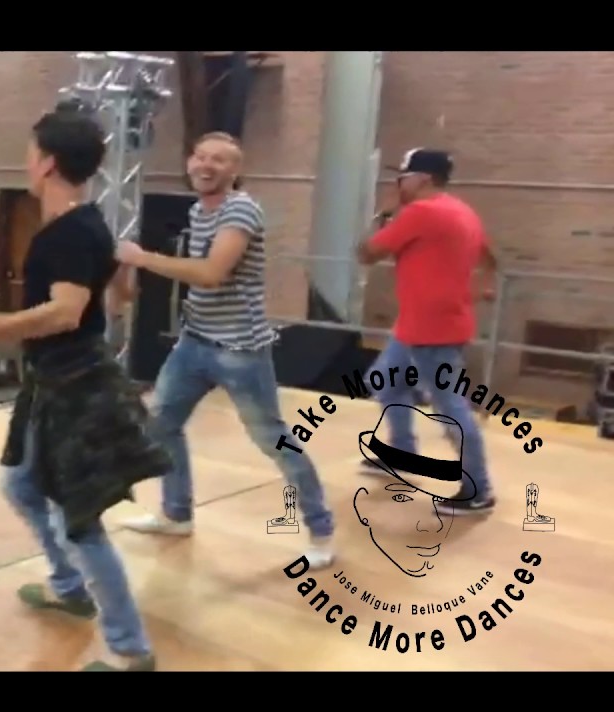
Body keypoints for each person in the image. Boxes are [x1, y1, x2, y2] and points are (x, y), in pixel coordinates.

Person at [0, 106, 168, 672]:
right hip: (52, 380)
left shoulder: (69, 231)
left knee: (78, 520)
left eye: (31, 152)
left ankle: (130, 651)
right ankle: (68, 586)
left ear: (48, 162)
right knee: (21, 484)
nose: (26, 162)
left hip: (75, 386)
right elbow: (115, 302)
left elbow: (64, 313)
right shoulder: (85, 226)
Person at [112, 131, 336, 570]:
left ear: (235, 170)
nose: (205, 165)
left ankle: (321, 530)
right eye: (200, 156)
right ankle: (176, 514)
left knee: (273, 439)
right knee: (161, 424)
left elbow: (212, 274)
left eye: (218, 159)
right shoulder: (198, 211)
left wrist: (142, 258)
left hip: (240, 350)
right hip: (194, 342)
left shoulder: (241, 209)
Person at [355, 148, 496, 516]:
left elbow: (366, 254)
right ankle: (402, 453)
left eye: (404, 176)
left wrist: (384, 214)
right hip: (420, 323)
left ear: (425, 179)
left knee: (450, 406)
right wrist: (482, 286)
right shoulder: (462, 210)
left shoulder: (421, 213)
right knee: (386, 381)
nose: (398, 182)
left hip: (432, 329)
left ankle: (478, 490)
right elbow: (489, 257)